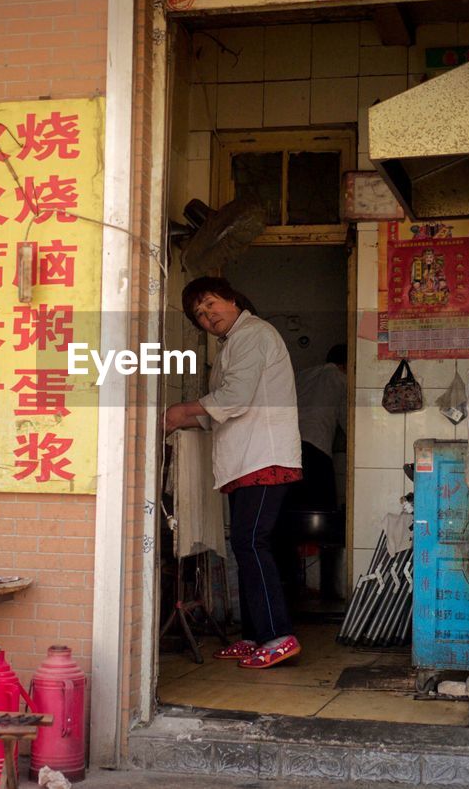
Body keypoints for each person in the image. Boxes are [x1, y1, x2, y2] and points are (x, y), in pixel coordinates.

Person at [163, 276, 303, 669]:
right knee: (246, 545)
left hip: (264, 456)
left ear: (232, 298)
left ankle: (278, 636)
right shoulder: (234, 344)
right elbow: (220, 414)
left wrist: (183, 410)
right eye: (200, 314)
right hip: (246, 458)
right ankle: (256, 635)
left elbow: (233, 399)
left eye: (211, 304)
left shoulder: (253, 333)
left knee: (251, 542)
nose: (208, 316)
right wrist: (183, 420)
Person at [277, 345, 347, 600]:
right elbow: (347, 422)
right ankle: (326, 589)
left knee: (289, 519)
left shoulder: (302, 375)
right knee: (325, 518)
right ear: (346, 365)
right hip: (316, 452)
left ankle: (290, 582)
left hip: (287, 451)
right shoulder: (340, 379)